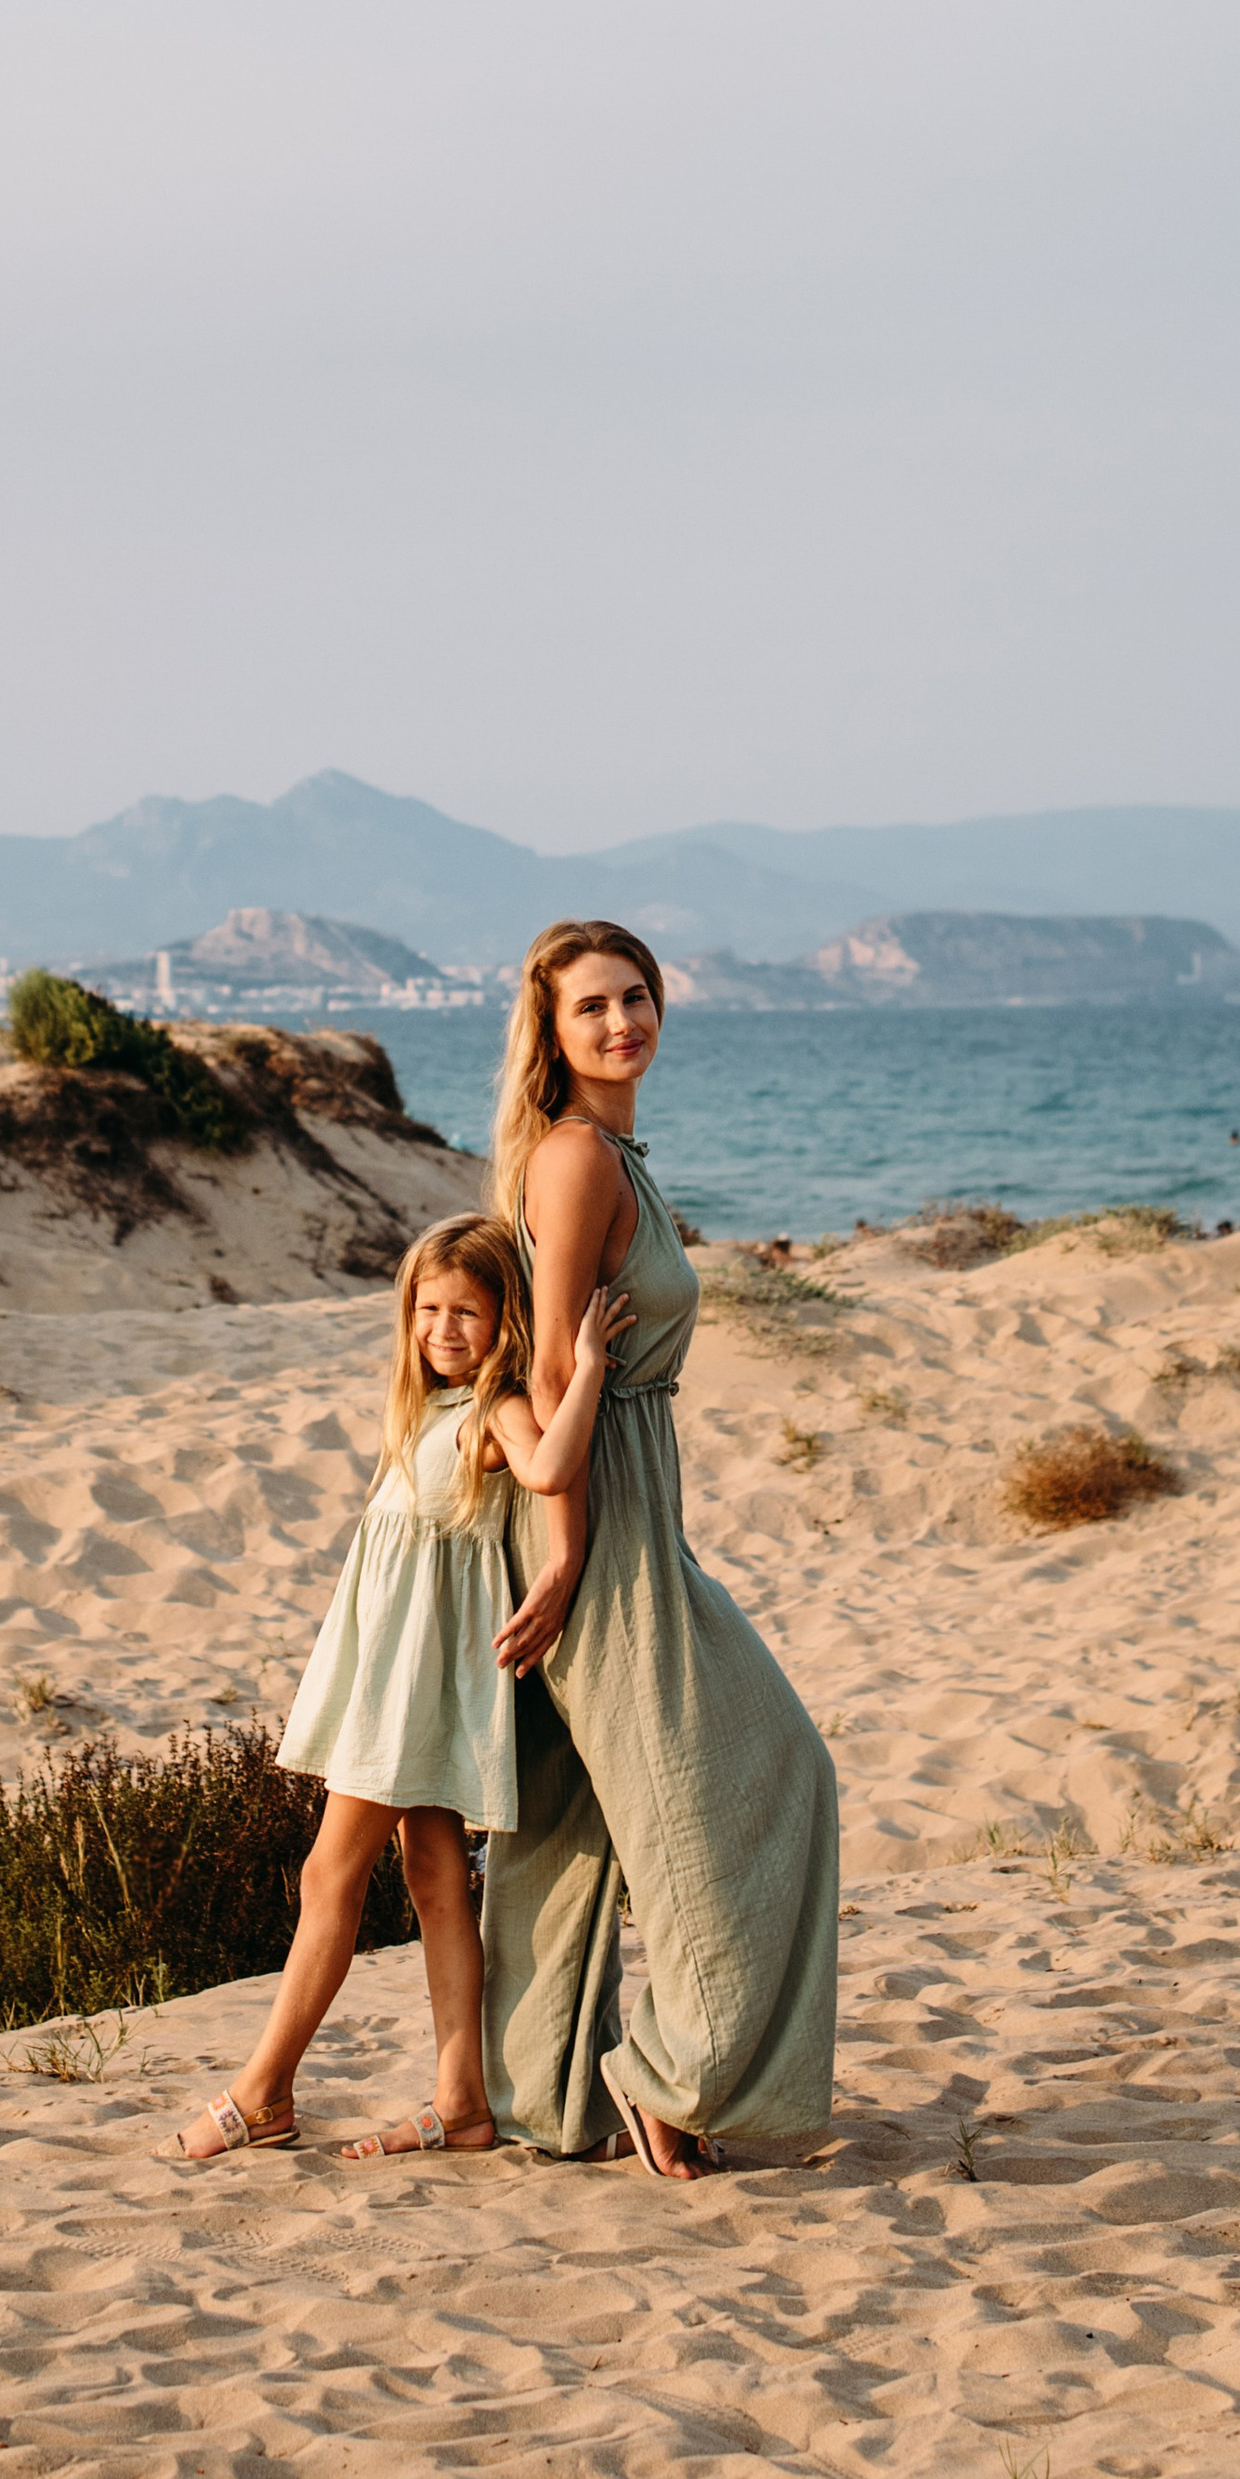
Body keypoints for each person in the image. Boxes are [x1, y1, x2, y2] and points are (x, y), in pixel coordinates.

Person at [480, 918, 840, 2181]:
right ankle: (666, 2077)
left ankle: (549, 2093)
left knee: (580, 1821)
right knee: (749, 1782)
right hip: (598, 1518)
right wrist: (567, 1554)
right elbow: (548, 1366)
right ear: (552, 1030)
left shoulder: (611, 1149)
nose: (622, 1021)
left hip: (634, 1502)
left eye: (635, 996)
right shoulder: (577, 1157)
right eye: (591, 1006)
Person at [169, 1211, 628, 2163]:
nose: (445, 1329)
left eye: (467, 1311)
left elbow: (552, 1466)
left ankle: (264, 2089)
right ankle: (462, 2101)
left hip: (414, 1689)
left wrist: (584, 1366)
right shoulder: (422, 1409)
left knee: (327, 1876)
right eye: (428, 1309)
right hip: (395, 1673)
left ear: (504, 1320)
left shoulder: (495, 1410)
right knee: (433, 1877)